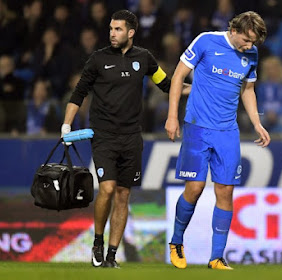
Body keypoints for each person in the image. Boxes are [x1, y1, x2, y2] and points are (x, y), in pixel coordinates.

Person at [61, 9, 189, 268]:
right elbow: (78, 93)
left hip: (132, 137)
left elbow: (167, 85)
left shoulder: (144, 59)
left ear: (131, 32)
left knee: (122, 194)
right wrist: (66, 124)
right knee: (107, 189)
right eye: (111, 28)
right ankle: (97, 242)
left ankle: (111, 255)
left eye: (118, 29)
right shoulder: (97, 60)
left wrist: (202, 88)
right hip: (104, 136)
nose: (112, 33)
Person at [165, 11, 271, 270]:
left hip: (227, 132)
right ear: (234, 30)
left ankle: (216, 257)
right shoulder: (205, 41)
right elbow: (178, 77)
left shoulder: (251, 54)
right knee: (195, 188)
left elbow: (248, 89)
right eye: (247, 40)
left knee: (226, 191)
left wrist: (257, 123)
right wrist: (172, 116)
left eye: (253, 42)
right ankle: (177, 241)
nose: (250, 46)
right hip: (198, 128)